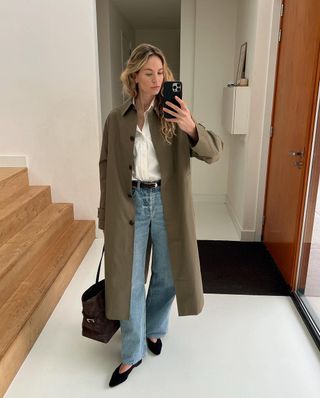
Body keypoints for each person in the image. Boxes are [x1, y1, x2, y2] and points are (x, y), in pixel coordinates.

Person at [98, 43, 224, 388]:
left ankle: (154, 328)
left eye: (161, 72)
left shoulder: (173, 113)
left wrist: (191, 126)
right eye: (149, 73)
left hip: (167, 204)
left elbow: (214, 152)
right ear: (134, 76)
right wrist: (104, 213)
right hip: (130, 202)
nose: (157, 79)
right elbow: (106, 165)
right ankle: (131, 352)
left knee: (168, 274)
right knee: (129, 279)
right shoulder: (115, 118)